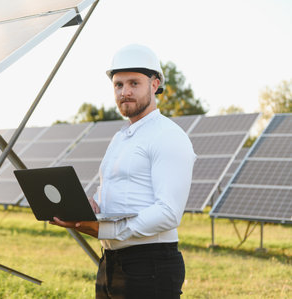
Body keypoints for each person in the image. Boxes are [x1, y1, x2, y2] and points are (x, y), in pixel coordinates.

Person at [50, 44, 196, 298]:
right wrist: (93, 207)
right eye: (118, 85)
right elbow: (117, 191)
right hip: (112, 261)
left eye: (133, 84)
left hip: (150, 264)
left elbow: (169, 213)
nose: (125, 92)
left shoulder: (168, 136)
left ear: (155, 84)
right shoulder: (121, 137)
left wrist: (106, 230)